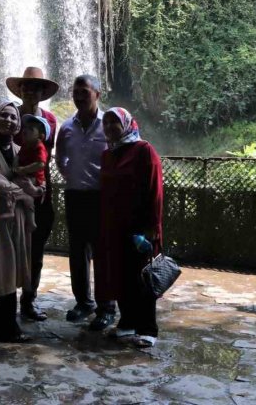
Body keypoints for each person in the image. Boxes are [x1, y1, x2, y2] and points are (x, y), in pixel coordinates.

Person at [95, 107, 164, 348]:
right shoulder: (108, 154)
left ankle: (148, 329)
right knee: (121, 274)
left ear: (126, 124)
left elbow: (155, 189)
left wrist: (152, 226)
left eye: (115, 122)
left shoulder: (143, 150)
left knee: (143, 278)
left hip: (141, 227)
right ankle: (127, 323)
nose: (110, 127)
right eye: (106, 123)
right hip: (115, 227)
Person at [0, 101, 42, 342]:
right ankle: (6, 328)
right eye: (4, 115)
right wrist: (24, 192)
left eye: (14, 118)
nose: (9, 121)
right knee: (4, 269)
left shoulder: (17, 149)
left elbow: (30, 174)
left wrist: (35, 187)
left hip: (19, 217)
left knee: (12, 270)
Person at [54, 74, 116, 330]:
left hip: (102, 197)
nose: (79, 96)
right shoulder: (67, 127)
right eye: (75, 92)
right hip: (75, 195)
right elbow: (59, 158)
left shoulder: (110, 125)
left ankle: (107, 307)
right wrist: (70, 174)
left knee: (103, 253)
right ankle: (84, 302)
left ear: (97, 95)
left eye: (84, 92)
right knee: (78, 252)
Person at [7, 67, 59, 322]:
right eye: (26, 86)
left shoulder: (50, 119)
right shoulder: (10, 115)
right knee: (8, 247)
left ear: (42, 92)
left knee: (36, 251)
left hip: (40, 193)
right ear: (20, 90)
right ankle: (5, 303)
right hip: (11, 191)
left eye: (36, 87)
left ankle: (29, 300)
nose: (30, 91)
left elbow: (45, 156)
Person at [13, 114, 50, 195]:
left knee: (18, 182)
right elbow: (18, 156)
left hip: (35, 178)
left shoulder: (40, 147)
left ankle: (36, 191)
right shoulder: (25, 144)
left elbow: (41, 164)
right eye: (25, 127)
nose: (25, 130)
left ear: (40, 136)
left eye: (31, 129)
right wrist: (15, 166)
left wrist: (24, 169)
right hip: (25, 175)